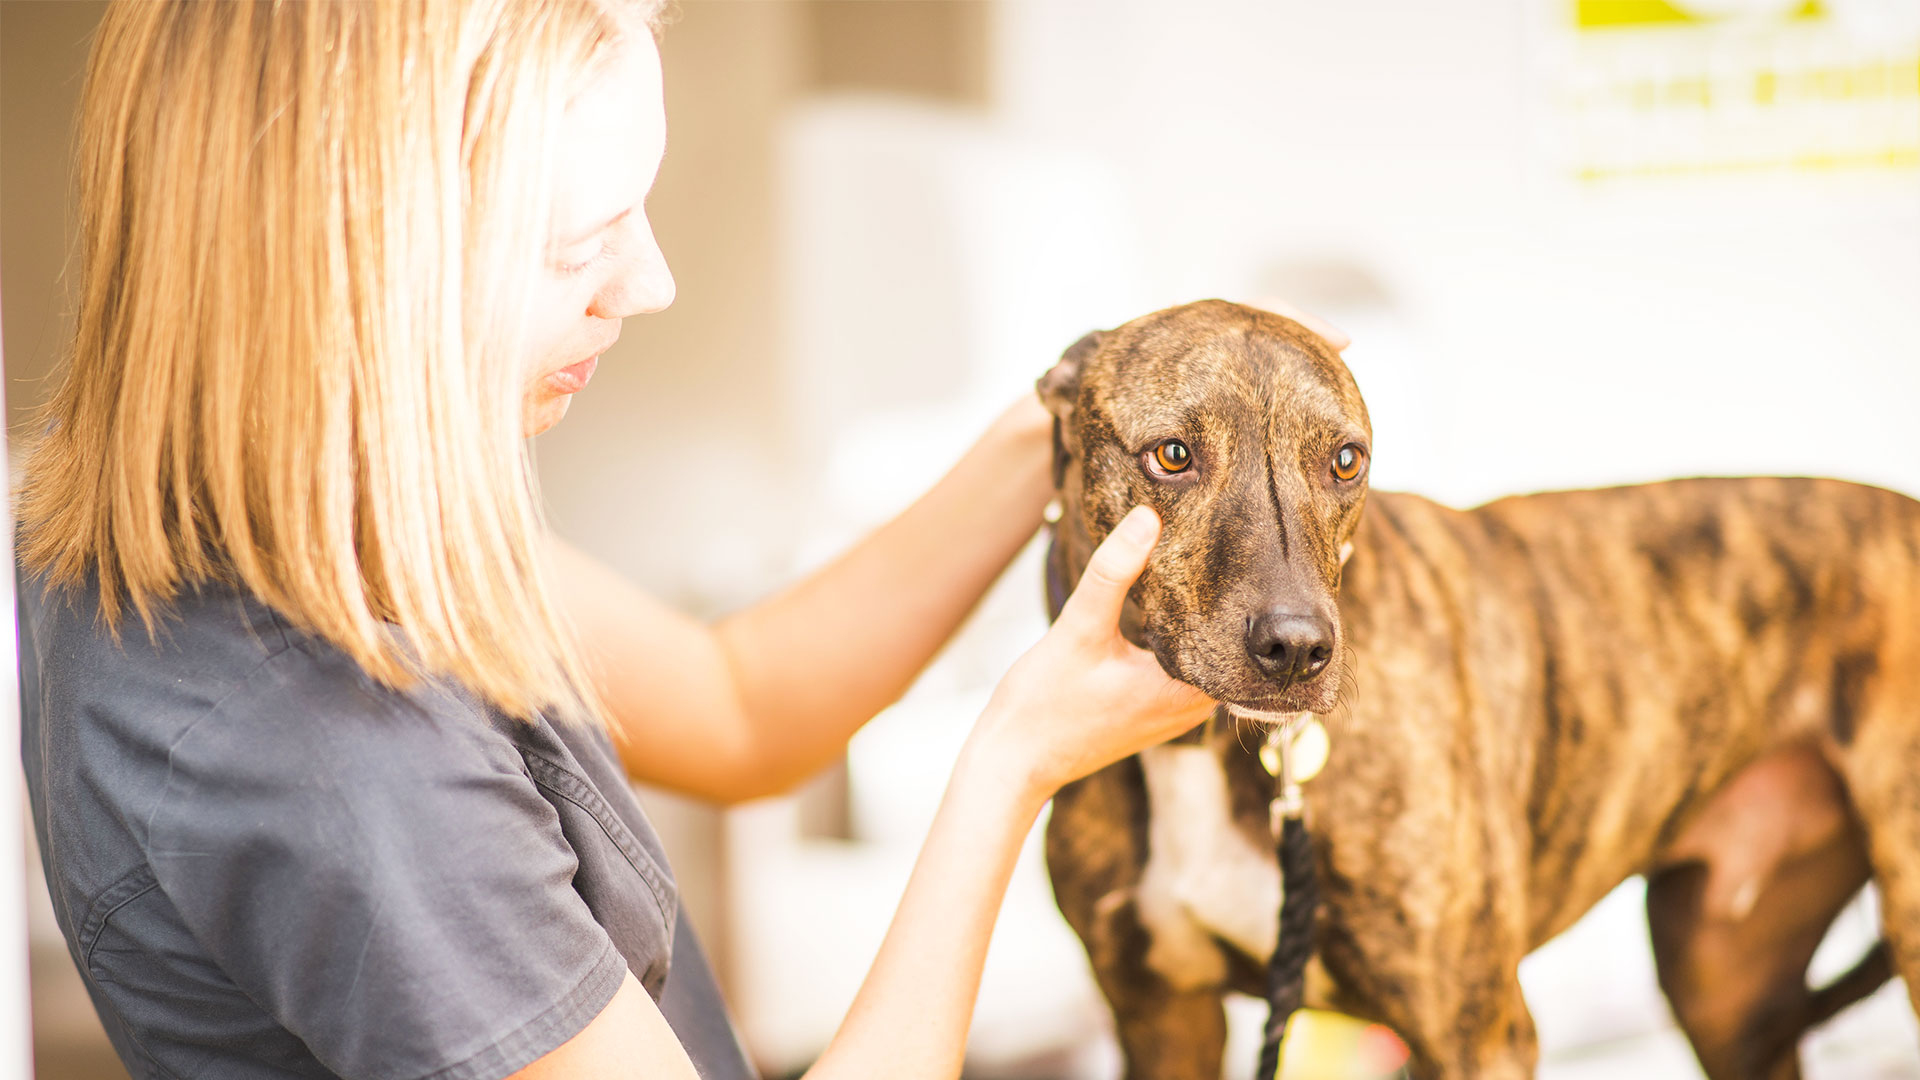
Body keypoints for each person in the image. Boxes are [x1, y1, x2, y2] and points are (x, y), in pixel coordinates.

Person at [15, 2, 1348, 1077]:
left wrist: (1066, 411)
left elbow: (739, 708)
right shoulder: (324, 739)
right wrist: (1012, 764)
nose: (649, 284)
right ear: (363, 253)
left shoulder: (318, 516)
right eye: (583, 242)